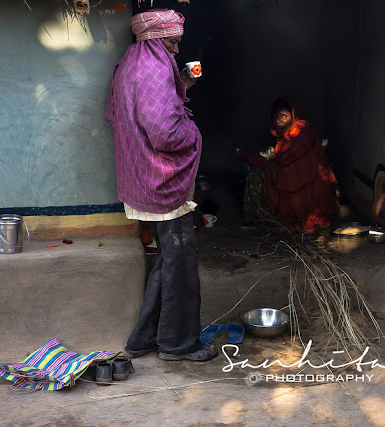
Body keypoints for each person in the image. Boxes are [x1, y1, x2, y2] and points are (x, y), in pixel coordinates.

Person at [105, 9, 217, 362]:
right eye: (172, 42)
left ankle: (143, 339)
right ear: (154, 40)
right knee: (181, 261)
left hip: (143, 178)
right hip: (162, 181)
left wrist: (181, 82)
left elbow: (118, 113)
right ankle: (178, 344)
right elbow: (165, 131)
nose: (177, 49)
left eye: (178, 42)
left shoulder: (130, 63)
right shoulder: (153, 69)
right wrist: (194, 133)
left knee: (171, 258)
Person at [235, 97, 340, 232]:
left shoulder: (299, 133)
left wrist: (250, 158)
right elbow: (282, 168)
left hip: (307, 198)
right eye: (275, 116)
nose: (278, 120)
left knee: (256, 175)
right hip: (299, 190)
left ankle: (270, 217)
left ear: (294, 115)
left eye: (284, 116)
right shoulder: (288, 136)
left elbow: (285, 173)